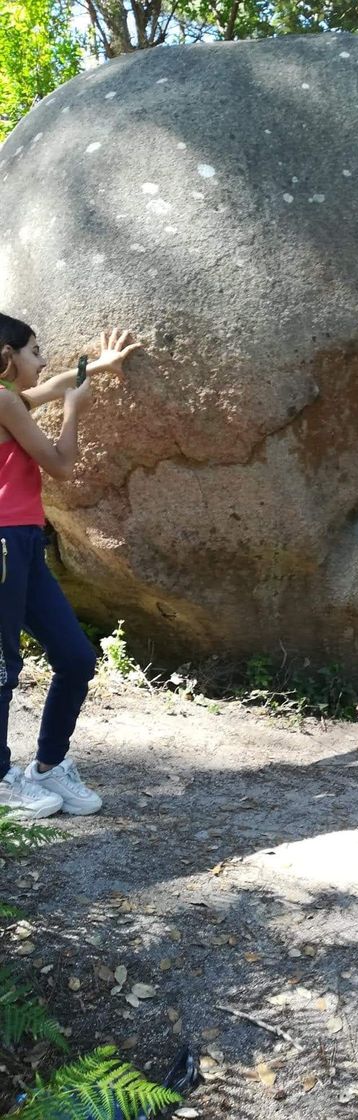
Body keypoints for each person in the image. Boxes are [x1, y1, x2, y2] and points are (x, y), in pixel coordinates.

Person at [0, 316, 140, 819]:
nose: (42, 361)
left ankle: (49, 765)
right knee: (2, 668)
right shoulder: (2, 401)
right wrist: (75, 412)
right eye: (35, 351)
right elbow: (60, 463)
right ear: (7, 355)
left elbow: (53, 385)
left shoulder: (8, 399)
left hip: (24, 542)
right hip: (3, 545)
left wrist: (96, 368)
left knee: (76, 656)